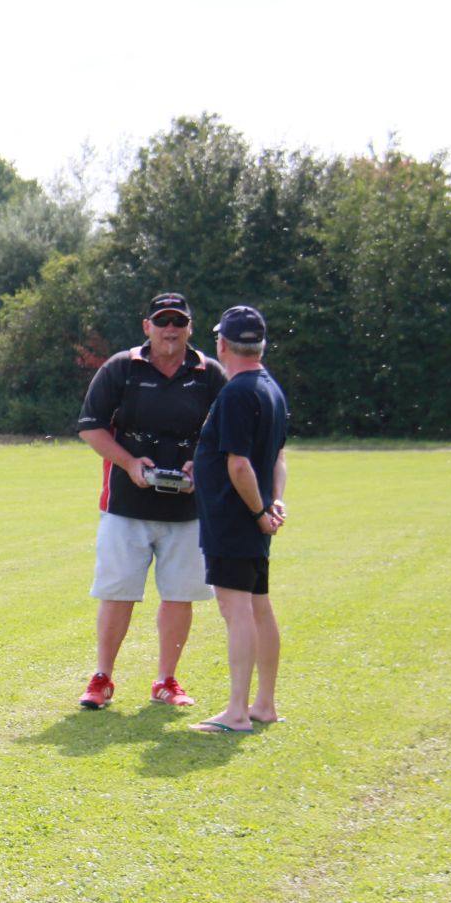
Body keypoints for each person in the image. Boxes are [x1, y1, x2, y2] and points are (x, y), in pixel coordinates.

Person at [75, 294, 228, 710]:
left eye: (178, 321)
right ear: (147, 326)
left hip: (187, 509)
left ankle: (166, 680)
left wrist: (200, 465)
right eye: (162, 321)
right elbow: (91, 427)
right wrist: (129, 463)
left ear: (190, 327)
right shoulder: (121, 367)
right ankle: (102, 677)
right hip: (126, 505)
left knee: (179, 594)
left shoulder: (209, 373)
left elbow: (227, 432)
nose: (170, 329)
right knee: (117, 591)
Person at [190, 304, 290, 734]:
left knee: (236, 609)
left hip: (234, 518)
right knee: (258, 605)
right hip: (254, 516)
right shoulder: (271, 388)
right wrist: (274, 502)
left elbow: (239, 464)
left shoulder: (236, 393)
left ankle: (236, 712)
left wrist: (258, 511)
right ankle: (263, 704)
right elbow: (279, 457)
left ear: (222, 345)